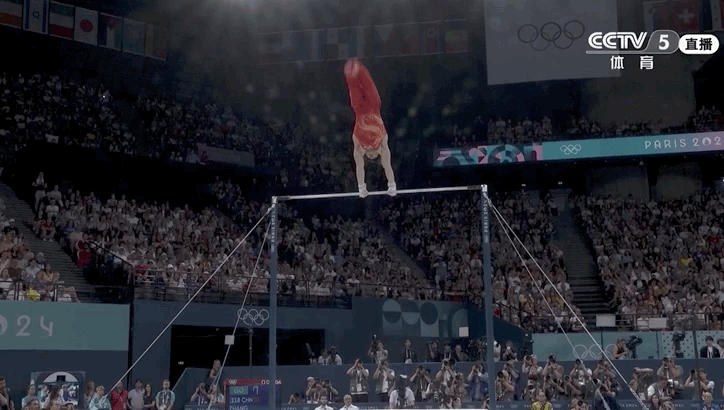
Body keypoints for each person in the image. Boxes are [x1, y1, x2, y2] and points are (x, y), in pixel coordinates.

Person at [343, 58, 396, 198]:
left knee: (353, 84)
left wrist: (361, 187)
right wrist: (392, 184)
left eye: (369, 156)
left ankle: (350, 71)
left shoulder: (358, 146)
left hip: (359, 108)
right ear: (378, 152)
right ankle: (359, 68)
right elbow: (387, 166)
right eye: (374, 156)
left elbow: (359, 168)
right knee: (367, 82)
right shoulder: (383, 145)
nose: (371, 155)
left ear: (364, 154)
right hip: (373, 105)